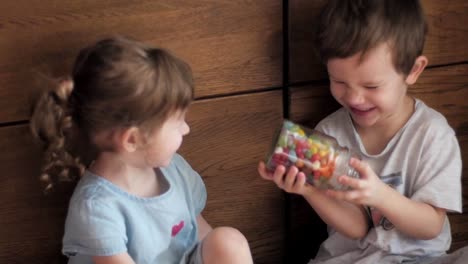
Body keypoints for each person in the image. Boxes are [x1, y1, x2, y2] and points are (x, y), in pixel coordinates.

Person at [258, 0, 463, 263]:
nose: (354, 98)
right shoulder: (330, 133)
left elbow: (430, 226)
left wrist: (379, 195)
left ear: (413, 70)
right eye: (339, 81)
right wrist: (309, 190)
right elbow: (357, 228)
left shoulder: (432, 134)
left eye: (372, 86)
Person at [30, 36, 253, 264]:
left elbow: (201, 236)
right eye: (177, 122)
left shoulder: (175, 169)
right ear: (133, 139)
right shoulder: (97, 207)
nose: (186, 129)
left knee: (228, 242)